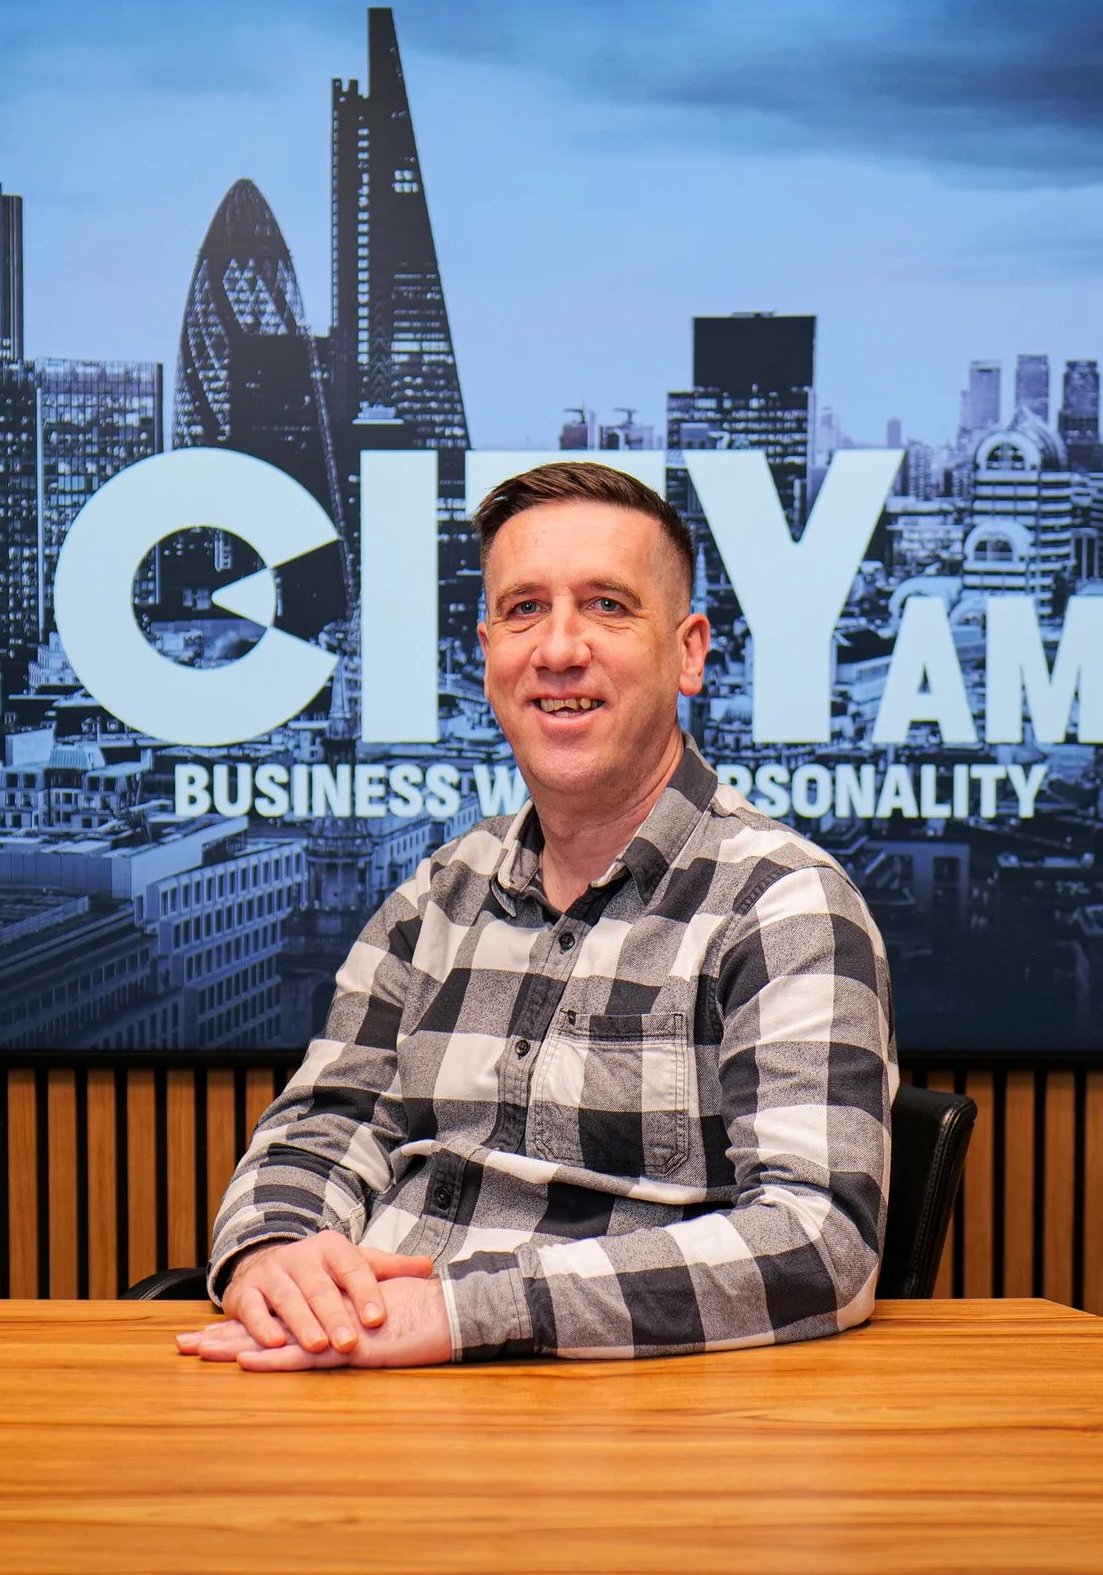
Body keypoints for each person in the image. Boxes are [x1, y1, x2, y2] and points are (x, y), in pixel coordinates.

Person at [177, 461, 894, 1370]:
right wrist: (275, 1256)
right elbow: (321, 1128)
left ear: (689, 653)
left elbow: (820, 1243)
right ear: (487, 656)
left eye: (606, 605)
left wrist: (463, 1311)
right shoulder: (433, 897)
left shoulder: (785, 905)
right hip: (347, 1378)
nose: (558, 649)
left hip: (627, 1419)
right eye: (524, 610)